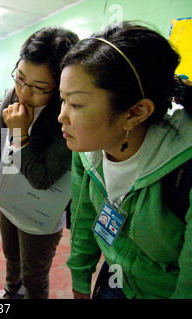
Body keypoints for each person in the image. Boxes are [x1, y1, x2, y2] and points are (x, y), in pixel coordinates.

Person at [58, 21, 191, 299]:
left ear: (136, 112)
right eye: (63, 100)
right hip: (116, 279)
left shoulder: (184, 170)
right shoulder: (86, 151)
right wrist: (80, 276)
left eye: (77, 104)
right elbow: (85, 218)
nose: (62, 116)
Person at [0, 27, 79, 299]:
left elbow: (42, 179)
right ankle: (10, 293)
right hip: (9, 197)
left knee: (34, 275)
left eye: (38, 87)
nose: (24, 92)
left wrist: (21, 134)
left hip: (41, 215)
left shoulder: (66, 118)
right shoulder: (15, 96)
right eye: (20, 78)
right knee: (11, 257)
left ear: (61, 88)